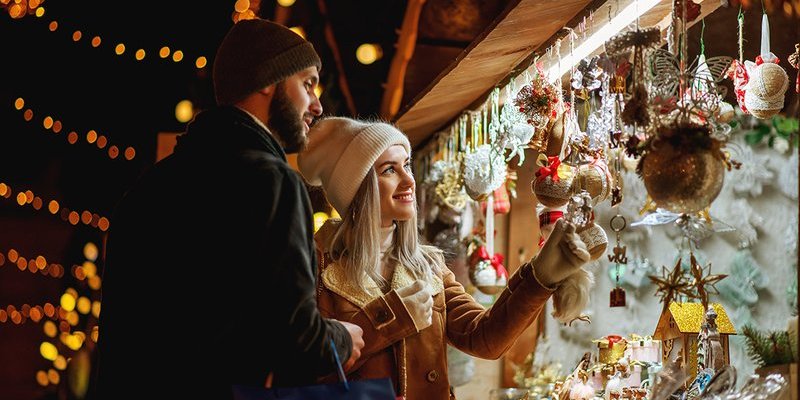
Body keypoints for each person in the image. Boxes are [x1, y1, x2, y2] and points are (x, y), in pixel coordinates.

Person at [94, 19, 363, 399]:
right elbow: (297, 338)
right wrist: (342, 339)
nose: (317, 105)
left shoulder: (147, 188)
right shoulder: (272, 180)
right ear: (269, 80)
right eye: (307, 83)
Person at [297, 117, 591, 399]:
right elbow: (305, 369)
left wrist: (539, 278)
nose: (408, 180)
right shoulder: (315, 267)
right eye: (389, 170)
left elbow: (484, 337)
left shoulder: (428, 265)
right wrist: (391, 318)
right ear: (358, 190)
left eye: (407, 166)